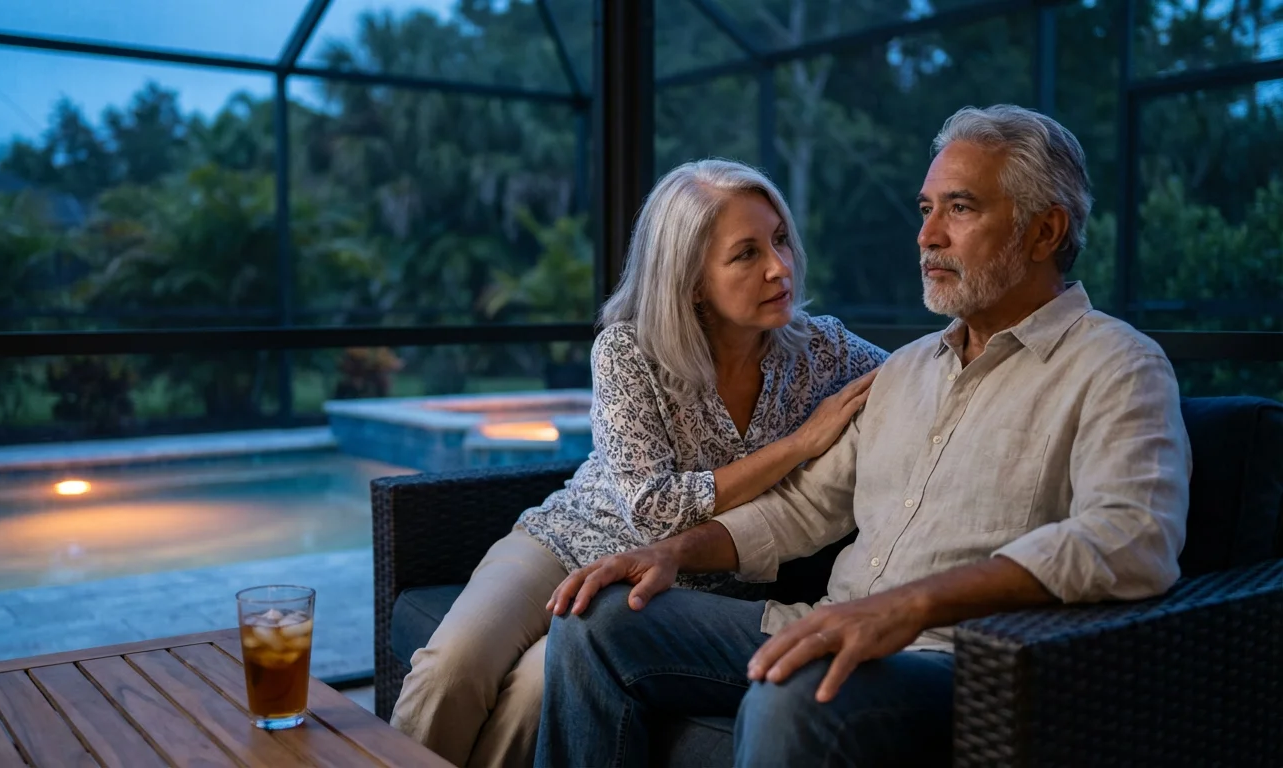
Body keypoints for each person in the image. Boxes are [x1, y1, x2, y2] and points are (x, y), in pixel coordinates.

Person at [538, 105, 1192, 767]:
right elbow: (802, 507)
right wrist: (677, 552)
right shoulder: (904, 371)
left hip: (966, 661)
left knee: (796, 689)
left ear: (1045, 230)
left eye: (959, 209)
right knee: (598, 622)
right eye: (926, 207)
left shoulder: (1118, 366)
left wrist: (909, 606)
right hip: (832, 626)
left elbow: (1132, 536)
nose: (927, 235)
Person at [389, 158, 889, 767]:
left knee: (532, 692)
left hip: (671, 588)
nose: (779, 267)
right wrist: (799, 446)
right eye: (746, 254)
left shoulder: (822, 349)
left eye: (780, 239)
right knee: (453, 666)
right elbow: (654, 511)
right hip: (567, 543)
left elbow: (923, 371)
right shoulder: (629, 349)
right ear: (691, 278)